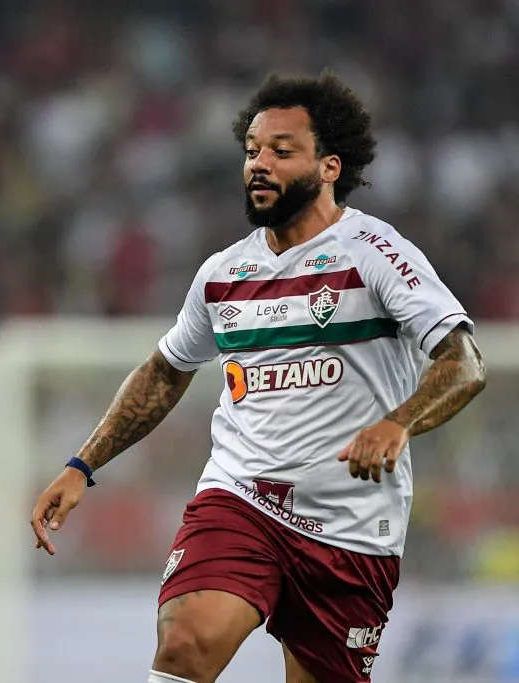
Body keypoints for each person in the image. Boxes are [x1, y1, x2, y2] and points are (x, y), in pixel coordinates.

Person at [30, 73, 487, 683]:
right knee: (185, 645)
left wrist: (398, 423)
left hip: (353, 525)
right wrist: (82, 464)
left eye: (281, 151)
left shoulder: (376, 253)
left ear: (328, 166)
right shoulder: (223, 274)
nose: (259, 164)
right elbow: (165, 371)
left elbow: (464, 364)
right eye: (251, 151)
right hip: (242, 496)